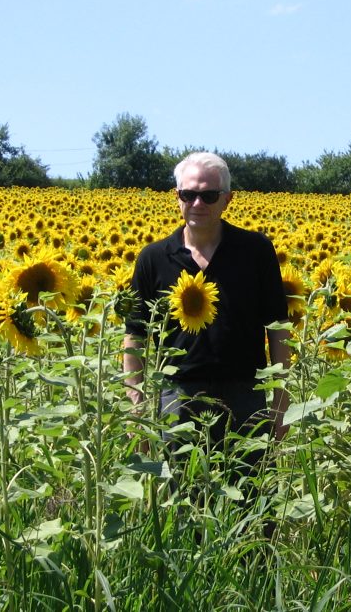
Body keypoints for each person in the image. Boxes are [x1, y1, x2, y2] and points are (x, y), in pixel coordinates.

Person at [123, 151, 291, 480]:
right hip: (178, 395)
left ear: (227, 199)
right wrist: (136, 401)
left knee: (250, 491)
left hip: (245, 392)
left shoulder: (255, 251)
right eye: (188, 194)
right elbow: (135, 334)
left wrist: (281, 402)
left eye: (209, 195)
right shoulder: (153, 258)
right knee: (180, 493)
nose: (197, 203)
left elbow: (278, 328)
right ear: (177, 197)